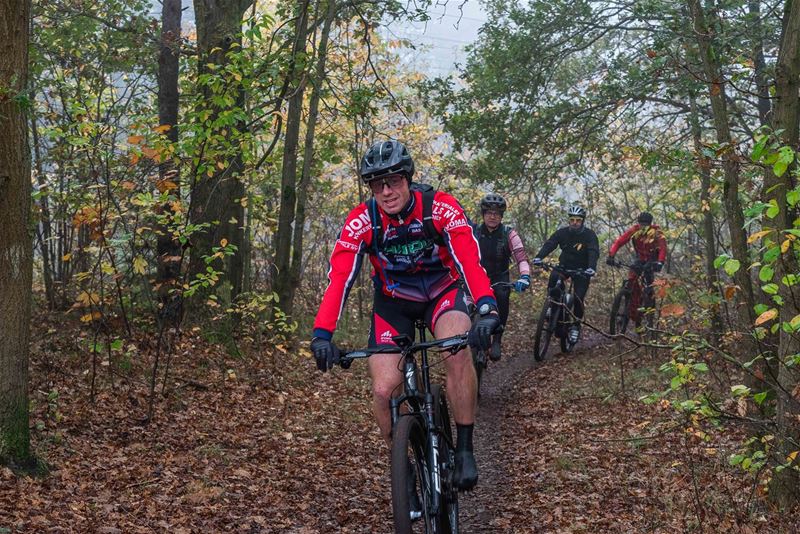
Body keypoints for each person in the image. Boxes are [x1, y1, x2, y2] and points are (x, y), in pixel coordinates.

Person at [310, 140, 501, 492]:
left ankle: (464, 449)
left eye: (394, 180)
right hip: (393, 302)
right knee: (384, 390)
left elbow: (468, 261)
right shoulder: (362, 220)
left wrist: (487, 307)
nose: (386, 190)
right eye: (376, 183)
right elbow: (340, 278)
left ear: (408, 179)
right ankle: (405, 468)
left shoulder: (440, 208)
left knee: (456, 353)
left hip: (440, 294)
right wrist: (322, 334)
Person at [532, 205, 599, 344]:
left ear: (582, 221)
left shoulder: (589, 235)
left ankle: (575, 325)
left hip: (582, 270)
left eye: (578, 220)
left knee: (578, 297)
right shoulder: (562, 233)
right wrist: (539, 257)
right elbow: (550, 244)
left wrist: (591, 267)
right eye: (572, 219)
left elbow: (593, 251)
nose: (575, 222)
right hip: (564, 266)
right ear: (569, 220)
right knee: (554, 280)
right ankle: (552, 306)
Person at [476, 194, 531, 361]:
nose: (493, 216)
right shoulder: (474, 232)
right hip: (477, 277)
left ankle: (497, 339)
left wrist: (525, 276)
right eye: (489, 213)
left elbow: (521, 258)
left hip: (500, 277)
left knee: (501, 296)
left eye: (497, 214)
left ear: (501, 216)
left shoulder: (509, 234)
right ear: (483, 214)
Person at [606, 211, 667, 325]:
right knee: (631, 282)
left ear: (650, 224)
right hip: (639, 259)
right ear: (638, 223)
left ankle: (648, 313)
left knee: (648, 287)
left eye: (645, 225)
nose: (643, 227)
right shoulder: (634, 230)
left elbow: (663, 248)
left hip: (652, 261)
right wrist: (611, 255)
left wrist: (660, 262)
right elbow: (619, 242)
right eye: (641, 224)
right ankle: (627, 309)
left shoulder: (657, 232)